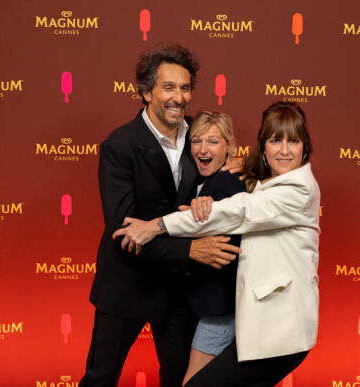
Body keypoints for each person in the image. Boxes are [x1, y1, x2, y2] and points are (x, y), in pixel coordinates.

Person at [115, 101, 321, 386]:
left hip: (280, 331)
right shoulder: (263, 182)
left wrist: (156, 225)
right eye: (275, 141)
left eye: (294, 141)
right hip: (259, 325)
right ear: (262, 148)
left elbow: (239, 210)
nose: (284, 150)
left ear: (305, 148)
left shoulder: (297, 188)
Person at [80, 42, 242, 387]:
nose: (179, 97)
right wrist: (191, 251)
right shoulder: (119, 146)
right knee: (100, 378)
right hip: (127, 284)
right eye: (168, 87)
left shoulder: (199, 135)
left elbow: (223, 158)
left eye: (185, 88)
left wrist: (235, 165)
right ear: (146, 92)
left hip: (177, 290)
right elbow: (123, 231)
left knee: (180, 380)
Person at [180, 111, 246, 385]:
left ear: (230, 146)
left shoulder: (222, 183)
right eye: (196, 141)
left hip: (219, 310)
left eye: (212, 141)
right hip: (217, 307)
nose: (203, 149)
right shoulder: (211, 182)